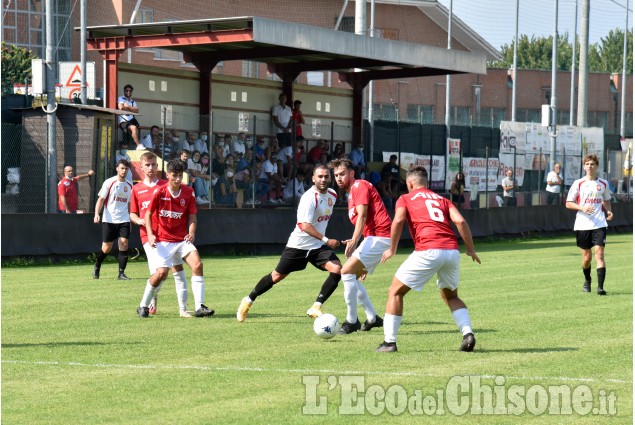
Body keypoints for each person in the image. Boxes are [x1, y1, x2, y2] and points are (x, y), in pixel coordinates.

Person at [376, 166, 481, 353]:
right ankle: (468, 333)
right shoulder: (442, 199)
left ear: (409, 183)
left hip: (428, 249)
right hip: (451, 250)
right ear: (427, 183)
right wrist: (471, 249)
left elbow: (398, 220)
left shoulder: (405, 198)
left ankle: (389, 342)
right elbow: (460, 221)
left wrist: (392, 249)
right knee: (451, 296)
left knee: (395, 291)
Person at [236, 164, 342, 322]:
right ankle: (248, 301)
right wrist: (327, 240)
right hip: (298, 246)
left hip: (317, 247)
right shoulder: (308, 198)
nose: (323, 179)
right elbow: (303, 225)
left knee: (337, 269)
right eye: (320, 176)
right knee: (276, 276)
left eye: (326, 176)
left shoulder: (332, 195)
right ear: (313, 178)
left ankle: (316, 306)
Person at [137, 159, 215, 318]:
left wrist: (191, 232)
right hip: (163, 241)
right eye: (175, 175)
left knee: (198, 264)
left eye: (180, 175)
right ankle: (143, 305)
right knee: (161, 273)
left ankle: (199, 306)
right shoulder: (159, 192)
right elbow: (148, 214)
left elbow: (192, 217)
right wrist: (151, 236)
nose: (178, 179)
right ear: (168, 175)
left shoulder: (188, 192)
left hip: (181, 240)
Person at [330, 158, 391, 334]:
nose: (339, 178)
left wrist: (354, 240)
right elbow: (365, 222)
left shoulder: (359, 186)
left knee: (346, 272)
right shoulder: (351, 194)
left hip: (380, 237)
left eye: (342, 174)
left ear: (351, 173)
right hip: (373, 237)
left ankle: (351, 321)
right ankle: (372, 318)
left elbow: (363, 216)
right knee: (352, 277)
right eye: (336, 175)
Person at [129, 151, 191, 317]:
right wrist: (139, 221)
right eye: (147, 165)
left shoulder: (166, 184)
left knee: (169, 272)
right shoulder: (137, 189)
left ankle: (169, 304)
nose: (151, 168)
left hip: (170, 236)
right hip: (149, 237)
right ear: (140, 167)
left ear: (158, 166)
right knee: (159, 272)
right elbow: (133, 213)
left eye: (153, 165)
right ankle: (148, 302)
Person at [565, 154, 614, 295]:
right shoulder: (578, 183)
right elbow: (568, 203)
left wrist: (609, 211)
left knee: (599, 255)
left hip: (599, 223)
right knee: (587, 258)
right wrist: (583, 208)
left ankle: (600, 287)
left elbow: (606, 200)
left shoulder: (603, 183)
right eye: (587, 164)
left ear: (596, 166)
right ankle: (587, 280)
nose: (590, 166)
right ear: (584, 166)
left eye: (592, 164)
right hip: (582, 224)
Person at [92, 159, 133, 280]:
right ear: (117, 169)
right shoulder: (109, 182)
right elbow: (100, 199)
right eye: (122, 168)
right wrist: (96, 214)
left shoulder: (130, 185)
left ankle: (121, 273)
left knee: (124, 243)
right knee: (106, 248)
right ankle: (97, 265)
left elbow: (130, 204)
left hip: (124, 219)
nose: (124, 171)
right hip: (109, 219)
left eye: (126, 169)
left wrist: (130, 219)